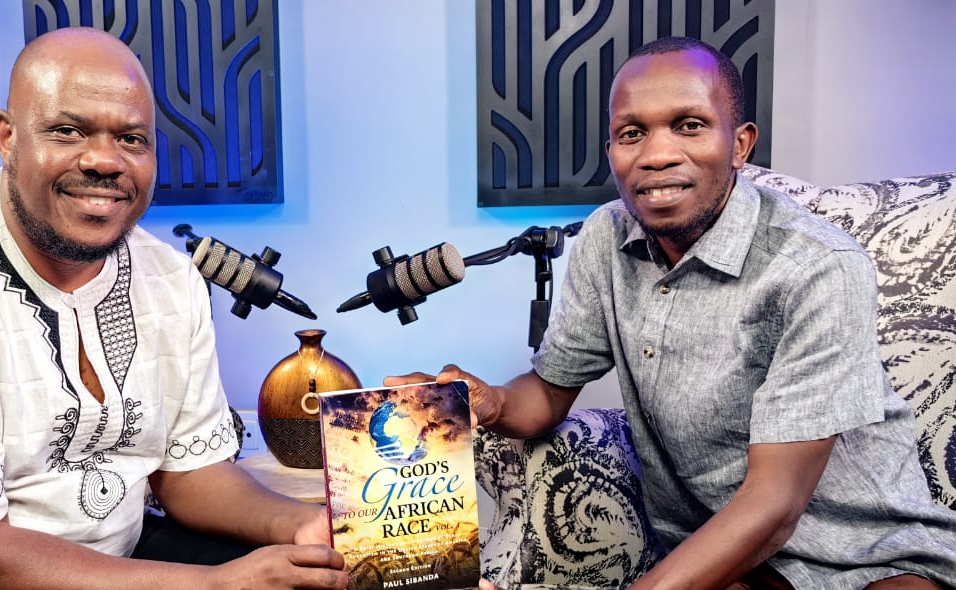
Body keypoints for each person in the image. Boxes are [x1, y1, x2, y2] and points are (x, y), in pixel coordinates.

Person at [391, 37, 956, 590]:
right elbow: (549, 393)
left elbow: (775, 505)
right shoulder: (605, 239)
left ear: (740, 144)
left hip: (873, 552)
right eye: (632, 133)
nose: (656, 154)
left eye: (689, 125)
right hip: (731, 558)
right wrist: (488, 402)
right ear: (611, 151)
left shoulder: (819, 267)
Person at [0, 27, 347, 589]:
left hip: (118, 564)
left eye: (132, 139)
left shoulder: (170, 278)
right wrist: (215, 584)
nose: (105, 160)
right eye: (68, 131)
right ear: (7, 137)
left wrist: (302, 526)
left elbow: (191, 475)